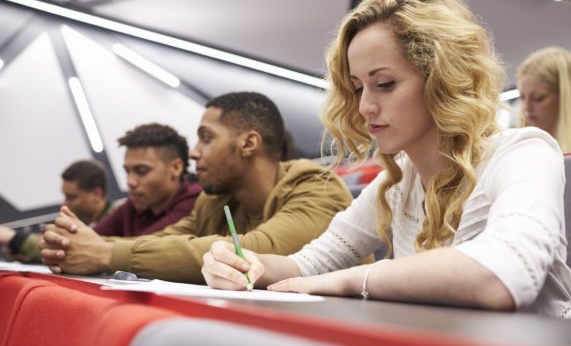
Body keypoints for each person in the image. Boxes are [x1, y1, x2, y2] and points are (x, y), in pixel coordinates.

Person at [201, 0, 571, 320]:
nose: (365, 106)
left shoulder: (525, 153)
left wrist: (356, 280)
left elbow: (503, 275)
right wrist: (246, 263)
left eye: (384, 84)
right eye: (357, 88)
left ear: (441, 79)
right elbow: (310, 263)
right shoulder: (398, 179)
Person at [40, 92, 353, 282]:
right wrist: (76, 245)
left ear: (248, 143)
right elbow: (158, 241)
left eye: (206, 138)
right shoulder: (214, 201)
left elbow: (256, 250)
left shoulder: (317, 186)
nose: (193, 152)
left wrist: (105, 254)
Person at [92, 123, 201, 237]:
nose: (130, 182)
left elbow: (145, 247)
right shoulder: (134, 205)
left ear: (175, 168)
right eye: (127, 171)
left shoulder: (194, 202)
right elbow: (92, 238)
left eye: (141, 171)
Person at [0, 159, 116, 263]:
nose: (64, 203)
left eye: (71, 197)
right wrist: (23, 253)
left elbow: (74, 251)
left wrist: (14, 238)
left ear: (97, 194)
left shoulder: (118, 222)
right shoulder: (80, 222)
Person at [517, 46, 571, 152]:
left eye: (538, 98)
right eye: (522, 97)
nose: (527, 107)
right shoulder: (518, 146)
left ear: (564, 96)